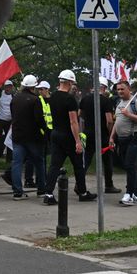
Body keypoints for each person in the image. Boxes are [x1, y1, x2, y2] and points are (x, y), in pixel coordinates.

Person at [43, 70, 97, 205]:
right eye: (72, 82)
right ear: (69, 82)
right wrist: (78, 141)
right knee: (78, 165)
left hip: (55, 134)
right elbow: (73, 122)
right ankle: (82, 192)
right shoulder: (70, 99)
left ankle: (48, 194)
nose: (73, 85)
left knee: (54, 165)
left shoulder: (53, 96)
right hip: (68, 135)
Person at [110, 80, 137, 206]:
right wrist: (112, 137)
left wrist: (129, 115)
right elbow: (117, 122)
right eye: (118, 89)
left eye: (122, 89)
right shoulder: (119, 103)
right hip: (122, 139)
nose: (120, 91)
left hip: (135, 136)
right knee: (130, 166)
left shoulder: (136, 102)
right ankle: (136, 194)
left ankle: (129, 194)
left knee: (129, 164)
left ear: (129, 89)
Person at [8, 75, 47, 200]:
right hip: (33, 137)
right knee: (39, 163)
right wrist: (45, 131)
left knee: (17, 163)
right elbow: (39, 119)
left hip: (17, 136)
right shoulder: (36, 100)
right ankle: (41, 190)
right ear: (33, 87)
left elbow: (13, 115)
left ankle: (17, 192)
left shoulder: (15, 99)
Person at [80, 78, 118, 194]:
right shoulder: (106, 101)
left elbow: (80, 115)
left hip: (88, 133)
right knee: (107, 160)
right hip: (102, 135)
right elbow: (109, 121)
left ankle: (79, 184)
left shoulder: (84, 99)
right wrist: (111, 133)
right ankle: (109, 185)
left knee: (86, 160)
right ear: (104, 88)